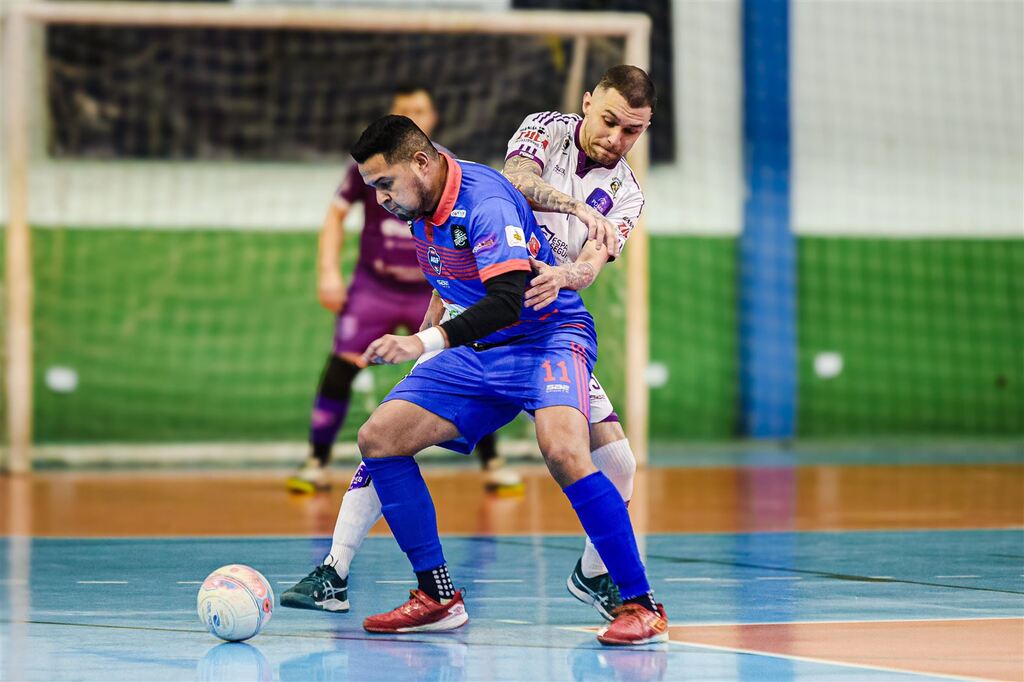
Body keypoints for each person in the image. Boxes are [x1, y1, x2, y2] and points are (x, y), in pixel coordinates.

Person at [283, 115, 668, 645]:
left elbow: (508, 301)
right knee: (379, 438)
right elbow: (453, 270)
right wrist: (433, 313)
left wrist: (423, 342)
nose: (381, 200)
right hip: (477, 348)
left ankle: (640, 603)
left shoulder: (485, 203)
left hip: (546, 337)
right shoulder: (423, 190)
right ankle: (436, 596)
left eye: (385, 185)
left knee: (565, 449)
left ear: (421, 164)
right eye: (373, 188)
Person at [287, 84, 516, 495]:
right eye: (405, 108)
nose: (383, 197)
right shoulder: (370, 167)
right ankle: (317, 461)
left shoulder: (449, 173)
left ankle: (492, 462)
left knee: (465, 358)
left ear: (429, 124)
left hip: (430, 288)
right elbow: (335, 215)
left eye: (421, 109)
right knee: (343, 361)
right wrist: (327, 271)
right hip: (374, 285)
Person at [499, 65, 656, 621]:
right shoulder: (546, 128)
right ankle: (337, 562)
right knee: (395, 431)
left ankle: (591, 573)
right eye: (609, 121)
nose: (616, 140)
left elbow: (591, 263)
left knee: (619, 461)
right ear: (587, 102)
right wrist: (575, 208)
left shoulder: (628, 194)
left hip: (549, 316)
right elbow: (516, 178)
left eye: (632, 131)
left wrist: (569, 276)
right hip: (485, 302)